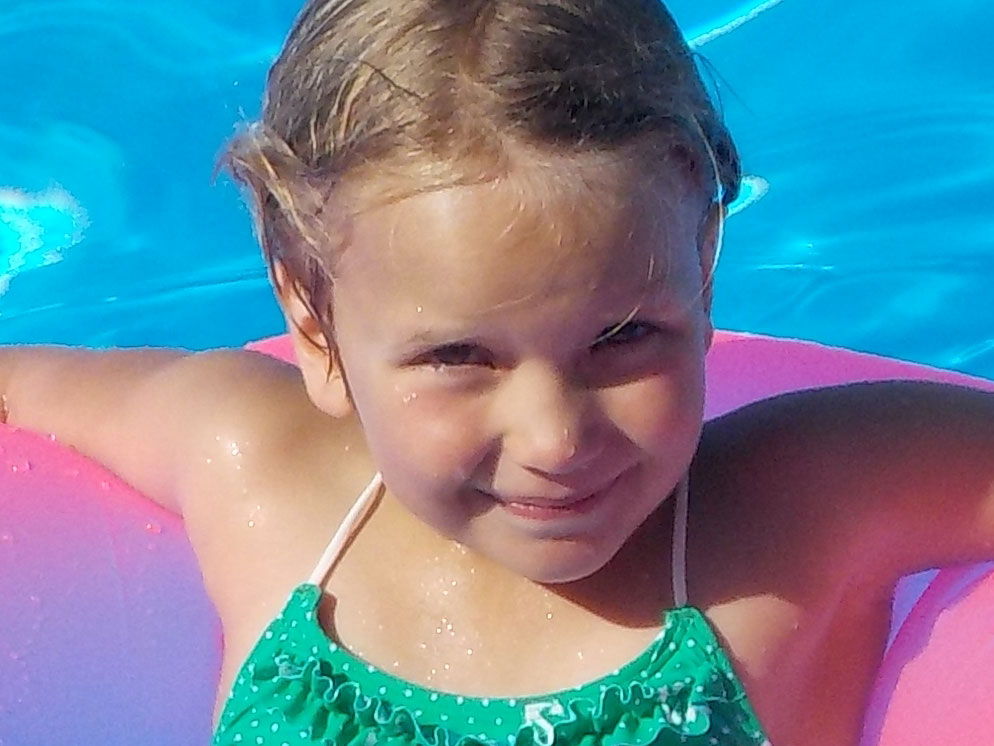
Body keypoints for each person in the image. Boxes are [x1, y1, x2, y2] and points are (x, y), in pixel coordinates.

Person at [1, 1, 992, 744]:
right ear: (311, 314)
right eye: (456, 356)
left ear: (701, 258)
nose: (556, 435)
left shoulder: (794, 508)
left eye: (622, 336)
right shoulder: (253, 465)